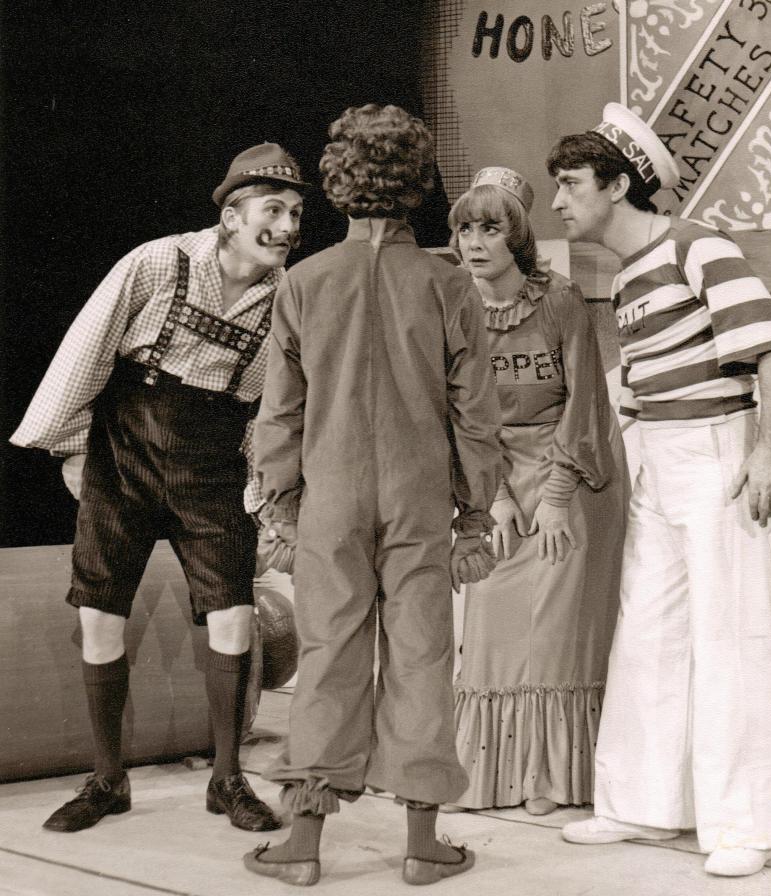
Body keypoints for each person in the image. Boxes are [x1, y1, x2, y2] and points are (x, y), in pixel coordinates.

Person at [10, 142, 308, 834]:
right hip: (123, 451)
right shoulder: (159, 262)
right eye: (273, 211)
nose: (288, 227)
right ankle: (108, 779)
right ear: (232, 215)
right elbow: (86, 348)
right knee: (100, 612)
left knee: (233, 616)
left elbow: (277, 407)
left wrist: (266, 495)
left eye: (296, 213)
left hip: (213, 463)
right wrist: (70, 447)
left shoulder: (289, 299)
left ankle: (227, 779)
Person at [242, 103, 503, 888]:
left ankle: (301, 848)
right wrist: (477, 511)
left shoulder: (304, 283)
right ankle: (423, 848)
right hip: (419, 500)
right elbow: (475, 413)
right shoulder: (447, 283)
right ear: (417, 184)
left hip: (331, 499)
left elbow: (279, 412)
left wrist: (280, 507)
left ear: (338, 184)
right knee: (423, 659)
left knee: (326, 660)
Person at [551, 103, 771, 877]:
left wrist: (767, 455)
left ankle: (746, 825)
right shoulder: (629, 273)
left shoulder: (699, 247)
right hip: (659, 457)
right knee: (651, 632)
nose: (557, 202)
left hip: (718, 454)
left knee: (729, 638)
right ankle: (643, 806)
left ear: (618, 184)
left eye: (570, 184)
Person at [445, 167, 627, 814]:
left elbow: (586, 404)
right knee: (493, 622)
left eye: (490, 228)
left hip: (569, 469)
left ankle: (550, 778)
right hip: (496, 471)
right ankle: (498, 774)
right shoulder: (454, 308)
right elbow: (460, 415)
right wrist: (491, 496)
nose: (474, 241)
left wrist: (553, 497)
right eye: (465, 227)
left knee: (552, 628)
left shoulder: (560, 301)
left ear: (516, 236)